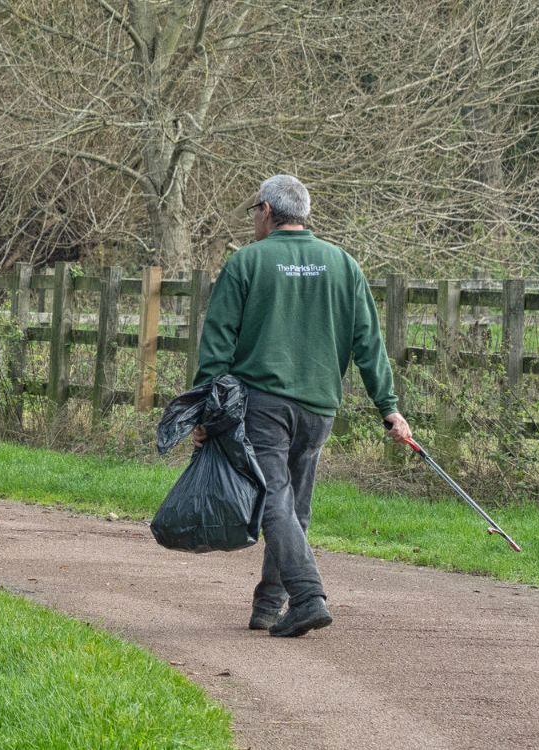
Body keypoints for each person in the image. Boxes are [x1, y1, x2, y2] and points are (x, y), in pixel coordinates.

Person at [193, 174, 412, 637]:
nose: (253, 217)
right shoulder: (343, 264)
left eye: (254, 209)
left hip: (264, 403)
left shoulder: (247, 262)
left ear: (267, 211)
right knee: (294, 504)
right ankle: (269, 605)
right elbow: (368, 344)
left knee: (274, 499)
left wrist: (206, 411)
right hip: (319, 408)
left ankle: (308, 596)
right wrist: (388, 406)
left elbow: (216, 345)